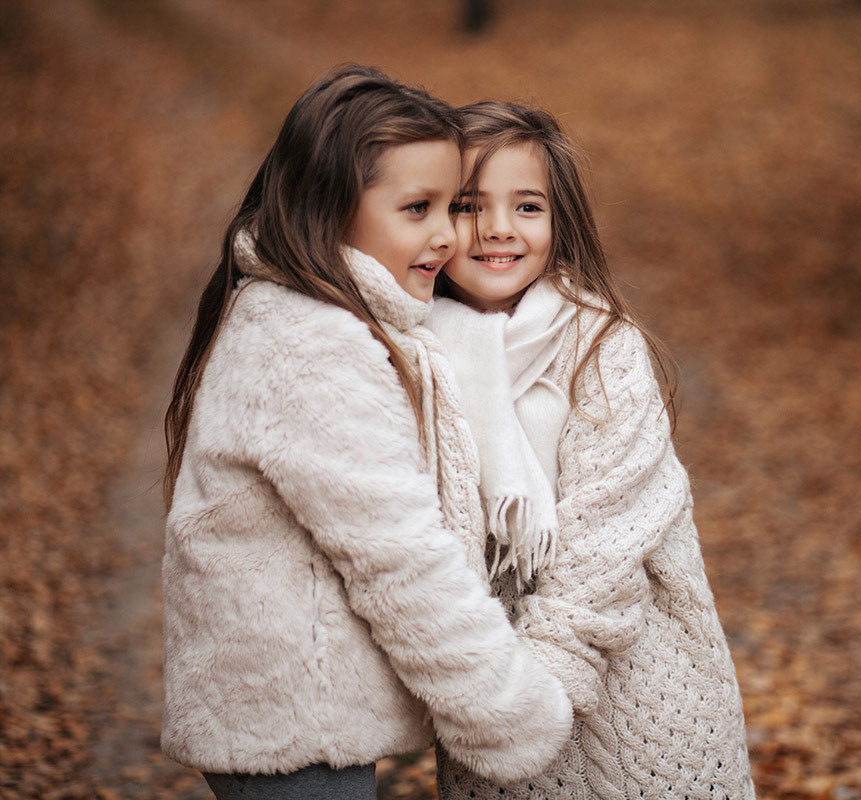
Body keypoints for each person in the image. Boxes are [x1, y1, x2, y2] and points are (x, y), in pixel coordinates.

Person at [159, 66, 572, 800]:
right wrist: (512, 713)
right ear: (330, 208)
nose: (448, 236)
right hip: (291, 725)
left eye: (452, 207)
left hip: (294, 714)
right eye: (417, 208)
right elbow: (401, 557)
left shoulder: (307, 318)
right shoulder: (313, 347)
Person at [425, 101, 756, 799]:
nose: (498, 230)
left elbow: (604, 546)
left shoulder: (601, 347)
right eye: (467, 205)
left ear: (561, 222)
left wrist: (532, 698)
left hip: (636, 698)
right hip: (491, 713)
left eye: (528, 206)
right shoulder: (422, 359)